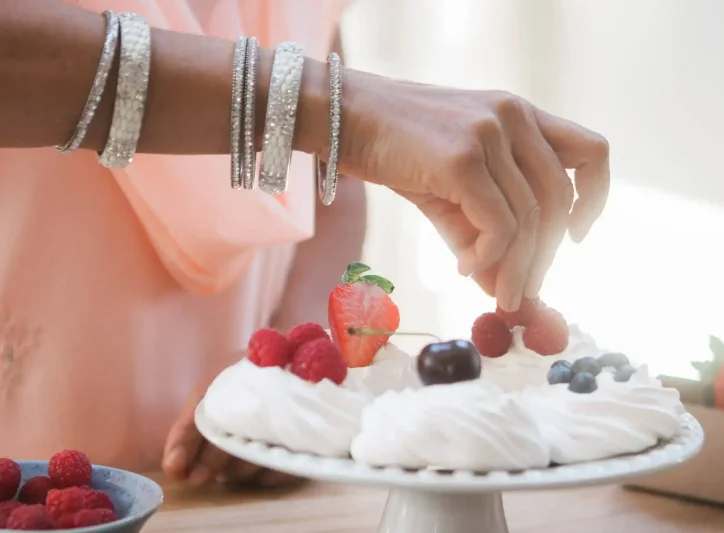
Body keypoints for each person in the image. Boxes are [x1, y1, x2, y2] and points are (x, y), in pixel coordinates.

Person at [0, 0, 610, 487]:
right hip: (28, 485)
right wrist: (346, 106)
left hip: (219, 496)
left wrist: (290, 367)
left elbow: (330, 179)